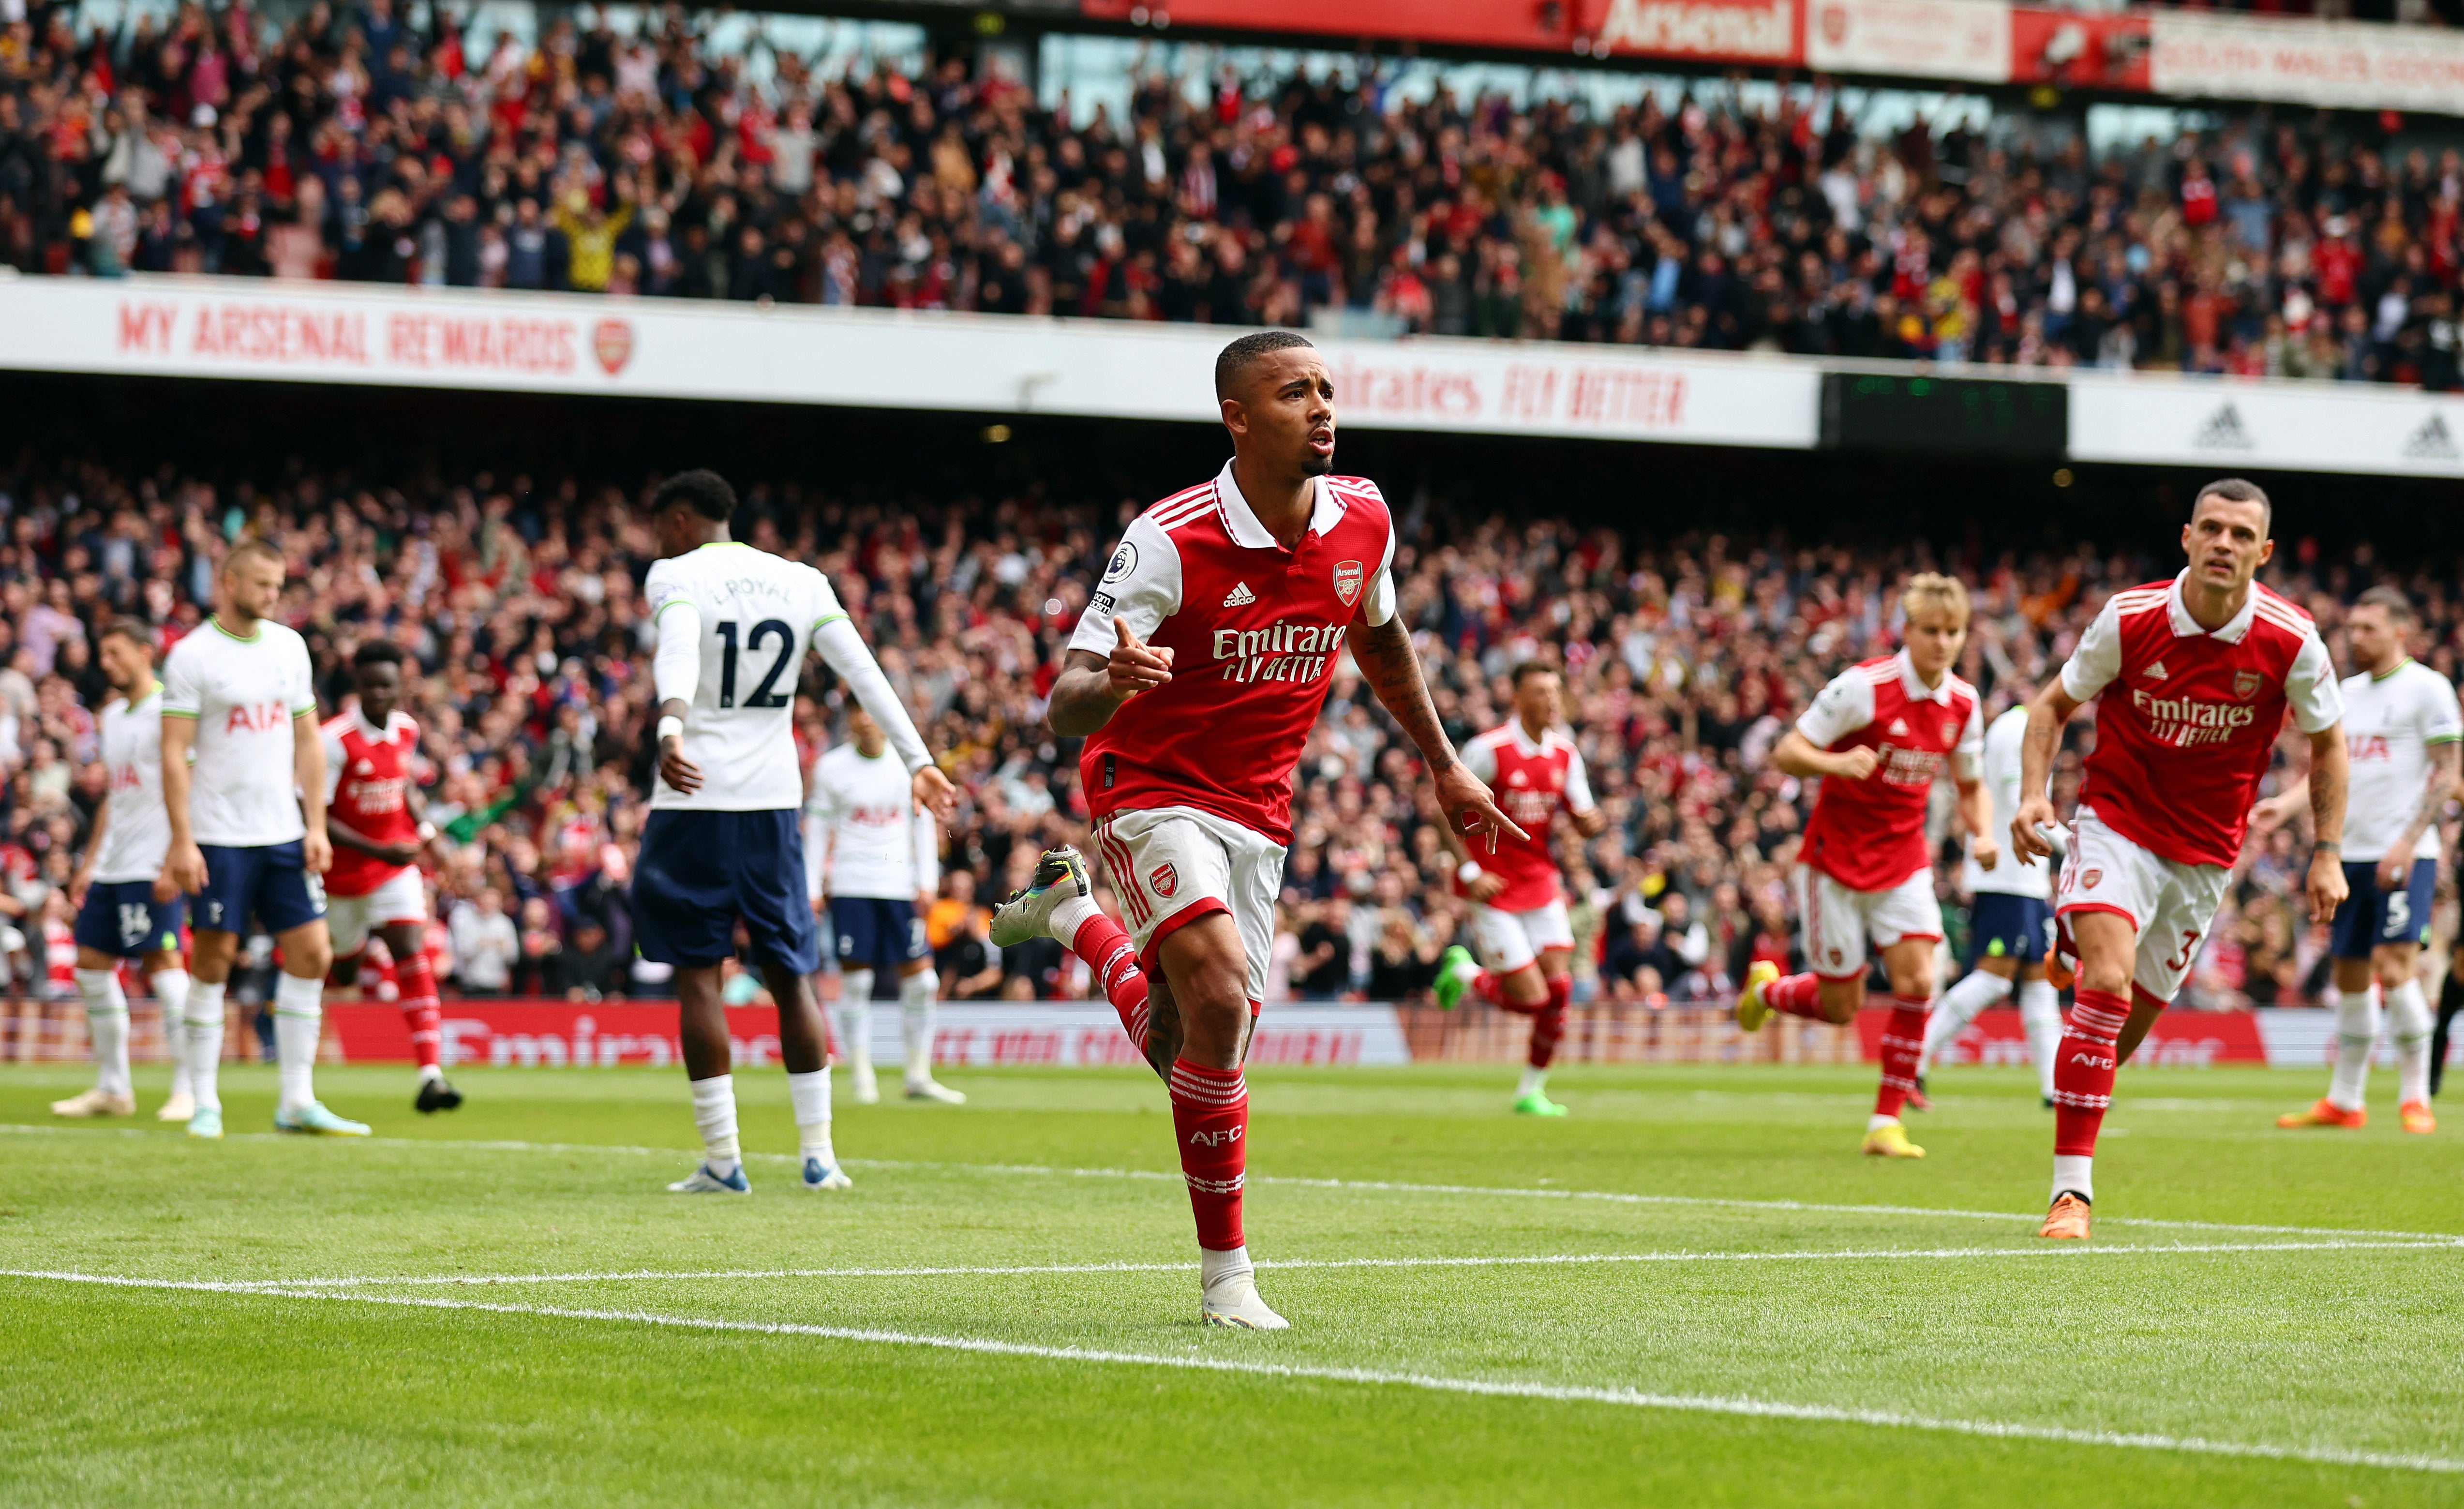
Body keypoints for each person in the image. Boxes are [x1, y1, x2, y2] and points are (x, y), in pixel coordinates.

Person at [988, 330, 1519, 1329]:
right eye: (1292, 392)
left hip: (1258, 812)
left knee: (1189, 1040)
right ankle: (1226, 1280)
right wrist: (1111, 679)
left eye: (1325, 387)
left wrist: (1444, 763)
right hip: (1147, 783)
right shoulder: (1168, 537)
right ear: (1237, 417)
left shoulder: (1363, 517)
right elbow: (1061, 701)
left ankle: (1075, 921)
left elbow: (1380, 636)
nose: (1320, 405)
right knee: (1223, 996)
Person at [2012, 478, 2346, 1240]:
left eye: (2241, 534)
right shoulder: (2130, 618)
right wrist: (2035, 794)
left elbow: (2328, 744)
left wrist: (2326, 852)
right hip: (2115, 820)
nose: (2224, 543)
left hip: (2205, 855)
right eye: (2212, 528)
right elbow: (2050, 707)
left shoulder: (2291, 638)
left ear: (2263, 552)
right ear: (2188, 539)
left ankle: (2074, 951)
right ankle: (2072, 1195)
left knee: (2119, 1035)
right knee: (2103, 982)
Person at [638, 468, 954, 1196]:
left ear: (681, 520)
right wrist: (920, 760)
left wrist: (670, 724)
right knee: (792, 977)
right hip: (775, 805)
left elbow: (679, 646)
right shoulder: (802, 580)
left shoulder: (674, 572)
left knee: (698, 977)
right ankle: (820, 1155)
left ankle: (724, 1160)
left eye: (662, 527)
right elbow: (863, 672)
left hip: (693, 803)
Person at [1734, 573, 1992, 1161]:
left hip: (1903, 862)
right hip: (1836, 862)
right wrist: (1833, 761)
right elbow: (1786, 750)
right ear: (1906, 630)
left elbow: (1971, 786)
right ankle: (1769, 990)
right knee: (1840, 1005)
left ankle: (1885, 1121)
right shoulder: (1862, 687)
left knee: (1919, 982)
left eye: (1952, 631)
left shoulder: (1963, 703)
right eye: (1930, 630)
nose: (1942, 642)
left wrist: (1981, 834)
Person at [160, 538, 359, 1139]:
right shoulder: (193, 655)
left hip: (283, 832)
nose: (273, 596)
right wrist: (182, 840)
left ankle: (297, 1099)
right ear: (229, 581)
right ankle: (204, 1100)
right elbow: (173, 752)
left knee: (312, 954)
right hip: (219, 835)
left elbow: (308, 743)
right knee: (213, 961)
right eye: (262, 584)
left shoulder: (289, 646)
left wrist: (316, 824)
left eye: (278, 585)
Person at [2253, 586, 2458, 1135]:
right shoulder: (2344, 692)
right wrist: (2286, 805)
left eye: (2367, 627)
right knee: (2348, 976)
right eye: (2351, 627)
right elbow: (2332, 767)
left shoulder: (2427, 688)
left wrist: (2408, 841)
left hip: (2403, 855)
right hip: (2345, 855)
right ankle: (2345, 1099)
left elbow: (2445, 771)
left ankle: (2415, 1097)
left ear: (2398, 631)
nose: (2354, 637)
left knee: (2395, 969)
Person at [1431, 660, 1609, 1115]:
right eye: (1539, 692)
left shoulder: (1566, 754)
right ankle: (1465, 973)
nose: (1551, 700)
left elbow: (1585, 817)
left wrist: (1591, 824)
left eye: (1555, 691)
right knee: (1531, 999)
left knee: (1561, 990)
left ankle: (1531, 1090)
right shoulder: (1489, 749)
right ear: (1517, 698)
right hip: (1492, 887)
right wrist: (1470, 872)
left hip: (1541, 881)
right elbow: (1442, 808)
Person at [50, 619, 193, 1121]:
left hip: (154, 861)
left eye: (114, 653)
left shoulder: (170, 709)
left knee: (162, 966)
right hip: (114, 864)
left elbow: (190, 781)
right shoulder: (112, 715)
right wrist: (89, 862)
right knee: (90, 965)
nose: (104, 663)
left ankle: (188, 1087)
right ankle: (114, 1087)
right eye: (102, 653)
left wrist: (179, 852)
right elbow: (116, 794)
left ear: (143, 651)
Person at [320, 640, 460, 1113]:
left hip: (394, 867)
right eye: (370, 685)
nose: (379, 693)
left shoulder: (407, 730)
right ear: (357, 686)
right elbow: (315, 815)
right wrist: (377, 847)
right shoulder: (334, 738)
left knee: (410, 950)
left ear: (401, 686)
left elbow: (401, 789)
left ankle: (430, 1073)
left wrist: (428, 834)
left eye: (387, 684)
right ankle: (352, 950)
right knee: (342, 970)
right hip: (342, 875)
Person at [1913, 699, 2065, 1107]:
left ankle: (2055, 1088)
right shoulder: (2018, 730)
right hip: (2005, 876)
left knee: (2040, 983)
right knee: (1995, 977)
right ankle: (1913, 1060)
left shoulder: (2025, 727)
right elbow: (2024, 807)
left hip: (2026, 880)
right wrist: (2078, 847)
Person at [811, 705, 958, 1106]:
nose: (864, 721)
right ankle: (861, 1076)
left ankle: (918, 1075)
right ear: (850, 721)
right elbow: (819, 827)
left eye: (870, 712)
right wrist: (811, 885)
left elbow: (922, 822)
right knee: (856, 983)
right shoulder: (831, 768)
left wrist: (927, 881)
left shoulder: (908, 764)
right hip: (851, 884)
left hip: (900, 887)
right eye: (856, 713)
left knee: (922, 982)